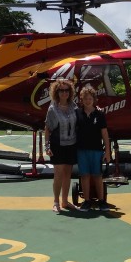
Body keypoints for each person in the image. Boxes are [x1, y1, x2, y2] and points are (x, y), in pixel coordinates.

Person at [76, 85, 112, 212]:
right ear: (81, 99)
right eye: (85, 98)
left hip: (96, 150)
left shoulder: (99, 114)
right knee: (84, 176)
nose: (87, 100)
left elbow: (105, 134)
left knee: (97, 175)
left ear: (94, 99)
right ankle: (86, 201)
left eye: (90, 98)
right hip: (81, 150)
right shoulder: (77, 114)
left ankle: (102, 201)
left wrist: (107, 151)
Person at [44, 78, 78, 212]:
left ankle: (65, 201)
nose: (64, 93)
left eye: (67, 90)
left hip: (71, 144)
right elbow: (47, 129)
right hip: (57, 144)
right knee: (58, 173)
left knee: (67, 173)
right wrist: (47, 146)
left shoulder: (73, 106)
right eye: (61, 90)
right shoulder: (53, 109)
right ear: (56, 92)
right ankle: (56, 202)